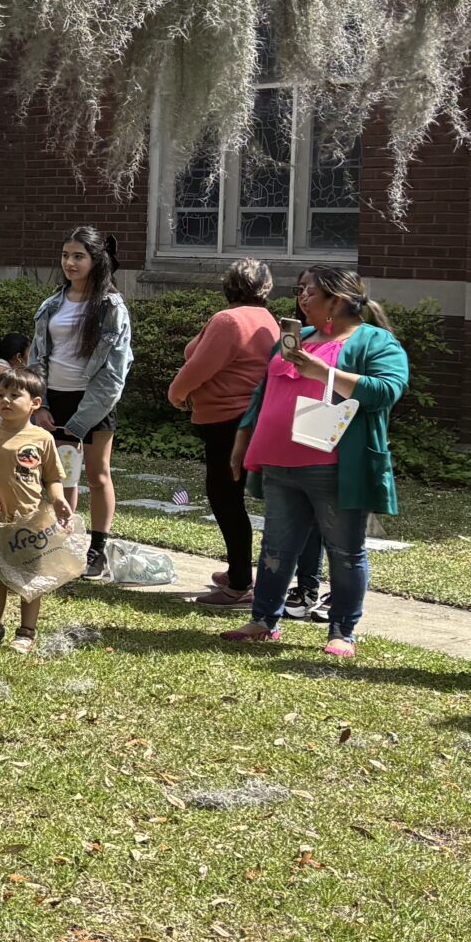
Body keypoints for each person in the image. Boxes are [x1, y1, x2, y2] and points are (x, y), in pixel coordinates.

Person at [219, 268, 408, 661]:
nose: (301, 298)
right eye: (299, 289)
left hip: (337, 467)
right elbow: (263, 391)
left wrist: (326, 373)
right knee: (276, 545)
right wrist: (242, 438)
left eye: (310, 291)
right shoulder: (297, 338)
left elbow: (387, 392)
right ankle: (263, 620)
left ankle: (343, 630)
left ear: (336, 300)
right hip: (279, 463)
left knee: (345, 550)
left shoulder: (375, 342)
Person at [168, 259, 282, 602]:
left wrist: (176, 394)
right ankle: (238, 572)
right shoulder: (266, 319)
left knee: (225, 499)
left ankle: (238, 585)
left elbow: (198, 368)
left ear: (228, 285)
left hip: (227, 420)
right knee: (230, 497)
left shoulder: (228, 320)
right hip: (249, 419)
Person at [28, 228, 134, 575]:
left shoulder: (110, 307)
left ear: (95, 260)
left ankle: (97, 550)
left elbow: (115, 371)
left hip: (94, 401)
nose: (69, 263)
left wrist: (80, 420)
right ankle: (64, 541)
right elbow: (37, 356)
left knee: (96, 473)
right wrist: (39, 403)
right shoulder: (52, 304)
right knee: (62, 475)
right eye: (65, 256)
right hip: (54, 398)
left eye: (78, 256)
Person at [0, 366, 68, 651]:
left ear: (35, 403)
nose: (5, 400)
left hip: (29, 525)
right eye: (0, 395)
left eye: (14, 395)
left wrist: (58, 500)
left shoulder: (42, 439)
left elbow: (52, 478)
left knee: (30, 580)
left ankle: (26, 632)